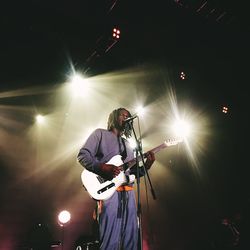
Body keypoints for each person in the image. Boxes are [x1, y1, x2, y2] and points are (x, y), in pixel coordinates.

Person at [77, 107, 155, 250]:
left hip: (129, 194)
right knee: (110, 241)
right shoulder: (99, 134)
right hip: (109, 195)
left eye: (128, 116)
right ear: (114, 118)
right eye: (122, 115)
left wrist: (147, 166)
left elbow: (131, 173)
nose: (126, 117)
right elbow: (83, 156)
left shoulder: (128, 145)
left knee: (131, 239)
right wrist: (101, 167)